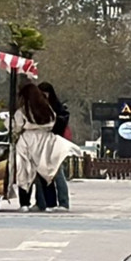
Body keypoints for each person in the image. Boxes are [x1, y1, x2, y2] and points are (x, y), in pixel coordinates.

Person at [13, 84, 80, 213]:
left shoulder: (22, 111)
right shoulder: (48, 109)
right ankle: (51, 203)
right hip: (45, 140)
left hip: (28, 140)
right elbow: (53, 122)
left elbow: (17, 127)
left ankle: (24, 203)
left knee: (25, 173)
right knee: (46, 172)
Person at [38, 82, 71, 211]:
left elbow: (60, 124)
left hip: (54, 142)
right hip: (41, 143)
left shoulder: (57, 108)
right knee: (40, 175)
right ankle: (42, 202)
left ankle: (63, 202)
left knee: (57, 173)